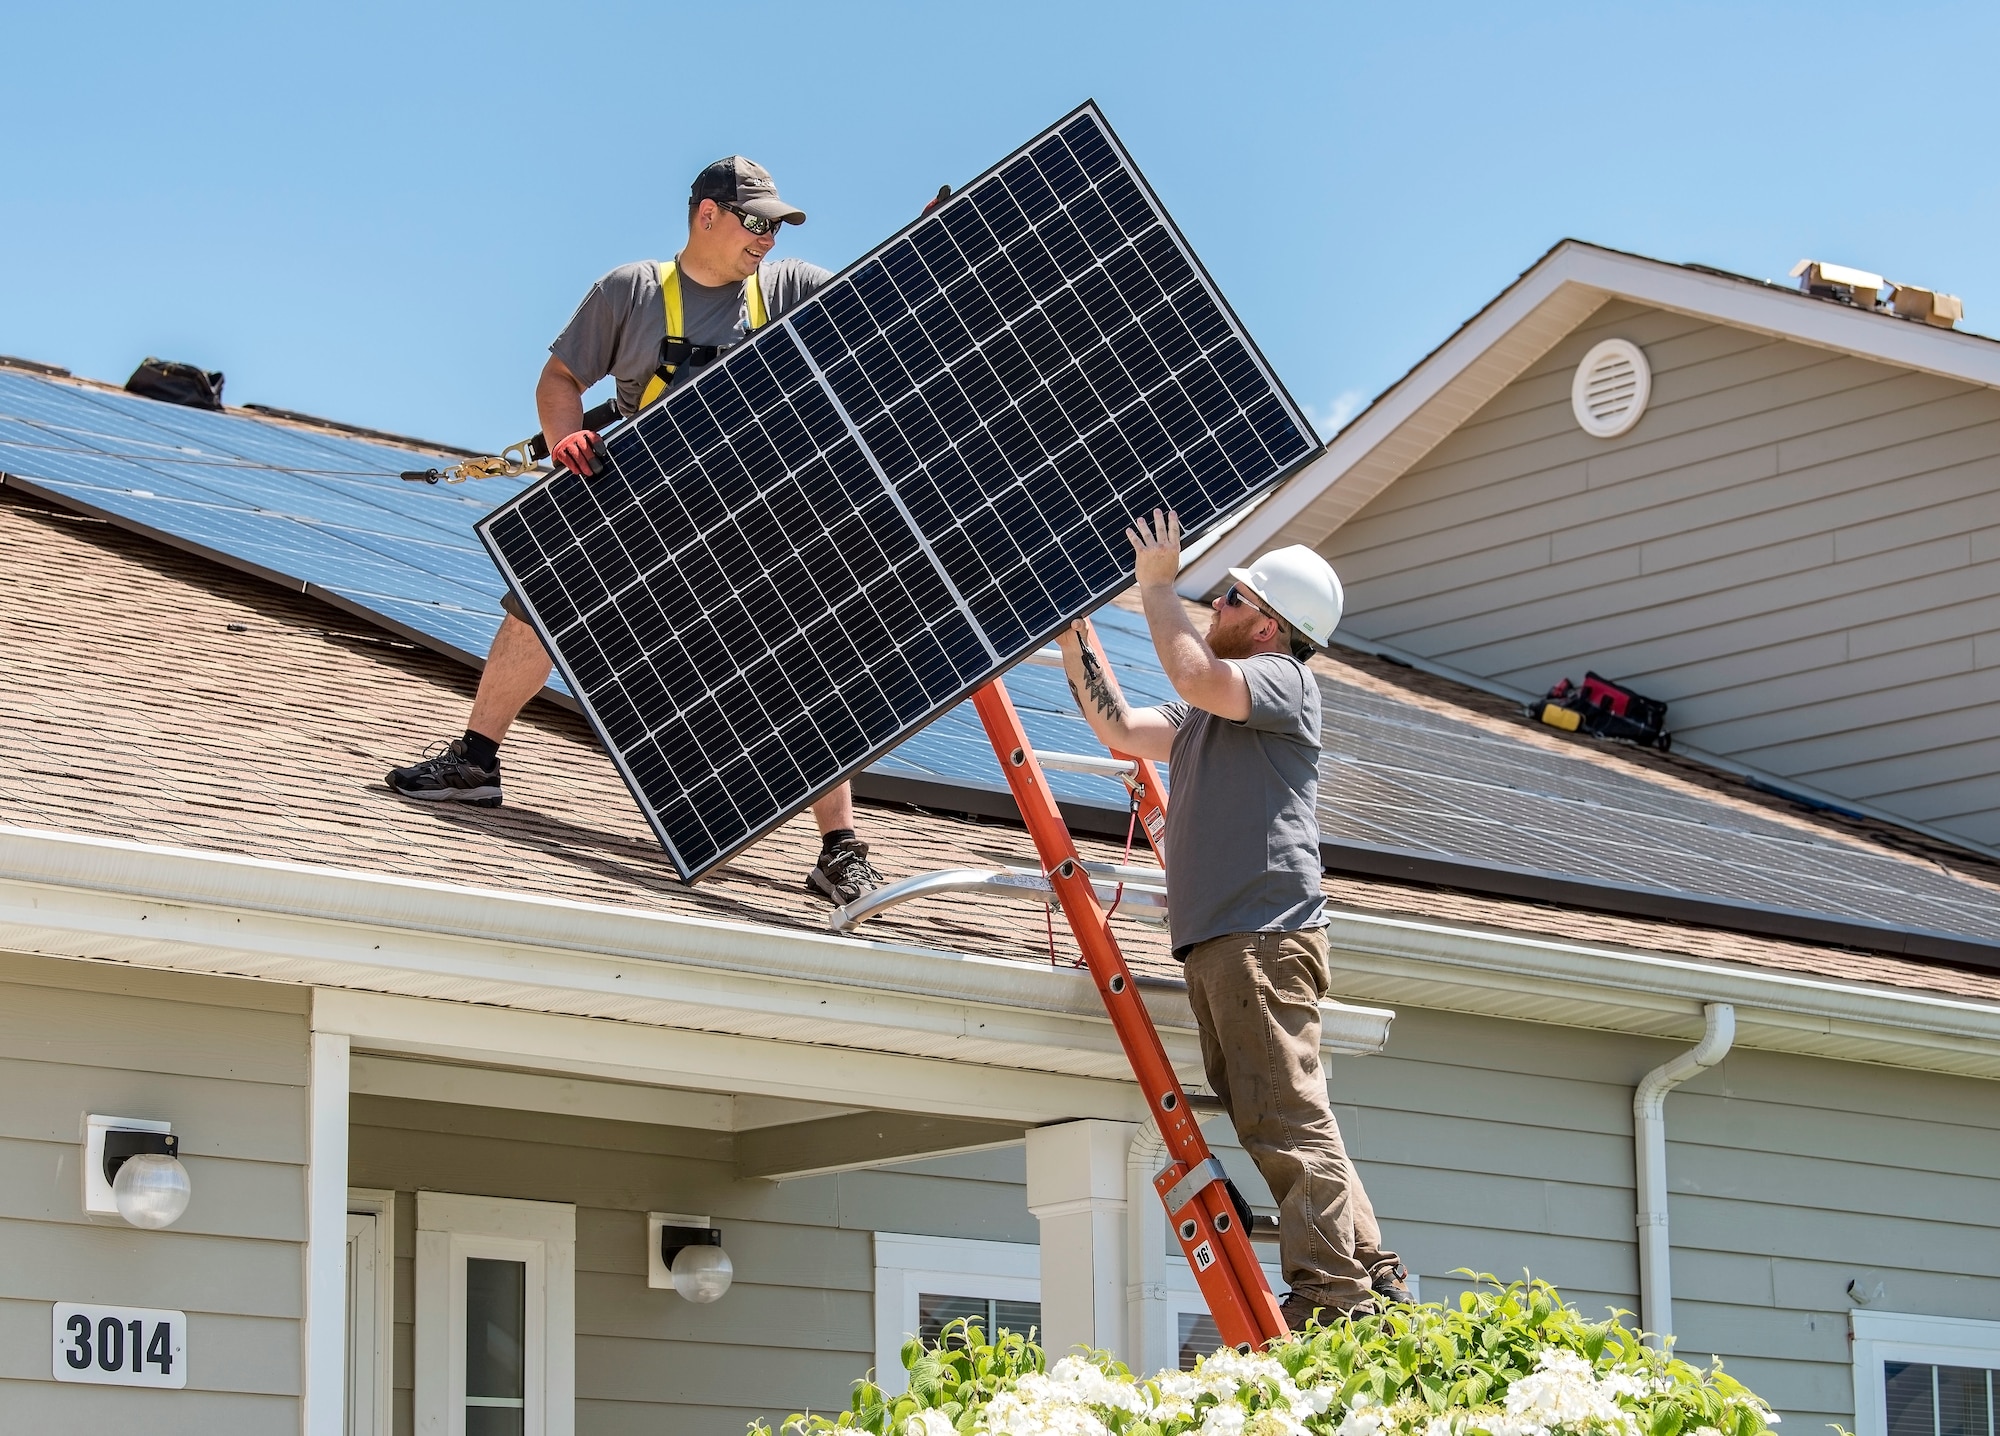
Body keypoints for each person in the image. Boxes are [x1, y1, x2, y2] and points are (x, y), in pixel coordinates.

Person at [388, 156, 885, 905]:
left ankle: (838, 849)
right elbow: (559, 384)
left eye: (776, 227)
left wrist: (929, 235)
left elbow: (885, 308)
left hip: (753, 506)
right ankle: (475, 763)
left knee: (804, 651)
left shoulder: (788, 289)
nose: (767, 240)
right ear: (706, 216)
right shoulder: (630, 292)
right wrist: (564, 440)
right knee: (537, 603)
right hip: (640, 499)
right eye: (755, 223)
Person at [1053, 511, 1410, 1329]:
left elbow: (1192, 676)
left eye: (1231, 599)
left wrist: (1155, 585)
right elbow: (1118, 727)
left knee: (1282, 1116)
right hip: (1229, 940)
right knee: (1276, 1109)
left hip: (1261, 934)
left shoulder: (1284, 681)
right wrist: (1075, 636)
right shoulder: (1208, 718)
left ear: (1270, 624)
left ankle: (1331, 1293)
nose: (1215, 607)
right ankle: (1369, 1271)